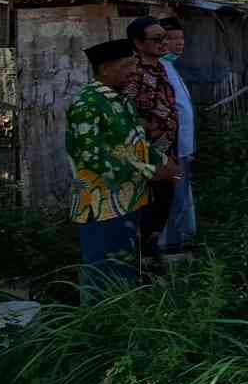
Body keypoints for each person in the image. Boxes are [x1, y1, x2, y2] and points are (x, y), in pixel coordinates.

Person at [66, 39, 174, 296]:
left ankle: (124, 319)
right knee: (102, 273)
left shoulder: (120, 101)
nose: (135, 71)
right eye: (128, 65)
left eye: (136, 64)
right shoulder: (87, 104)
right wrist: (150, 171)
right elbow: (91, 157)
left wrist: (162, 160)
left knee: (124, 268)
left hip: (127, 200)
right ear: (105, 69)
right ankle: (97, 326)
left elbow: (132, 144)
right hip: (101, 205)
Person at [123, 16, 178, 260]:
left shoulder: (161, 67)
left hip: (167, 151)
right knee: (144, 210)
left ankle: (152, 254)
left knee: (162, 206)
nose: (164, 43)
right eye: (157, 39)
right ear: (138, 43)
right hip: (145, 156)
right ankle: (140, 264)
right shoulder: (132, 74)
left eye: (164, 37)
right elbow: (129, 116)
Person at [157, 17, 196, 252]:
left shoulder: (170, 67)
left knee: (181, 196)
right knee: (172, 198)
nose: (178, 43)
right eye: (172, 39)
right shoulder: (159, 70)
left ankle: (179, 239)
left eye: (181, 38)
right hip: (172, 149)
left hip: (184, 147)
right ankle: (170, 245)